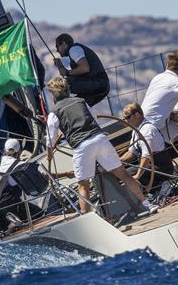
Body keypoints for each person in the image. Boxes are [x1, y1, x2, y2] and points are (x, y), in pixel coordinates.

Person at [46, 77, 151, 215]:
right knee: (123, 174)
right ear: (67, 89)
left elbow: (50, 140)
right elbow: (94, 117)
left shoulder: (54, 113)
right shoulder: (81, 101)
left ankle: (87, 219)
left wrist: (49, 155)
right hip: (100, 139)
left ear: (53, 94)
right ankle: (147, 204)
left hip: (81, 146)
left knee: (83, 185)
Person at [0, 139, 41, 234]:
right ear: (19, 152)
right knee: (39, 214)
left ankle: (7, 228)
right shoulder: (20, 165)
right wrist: (65, 174)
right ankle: (17, 222)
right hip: (11, 206)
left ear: (5, 149)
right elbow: (38, 178)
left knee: (0, 232)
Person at [141, 52, 178, 156]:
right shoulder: (177, 82)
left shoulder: (157, 77)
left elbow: (159, 99)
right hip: (155, 122)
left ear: (167, 64)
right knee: (143, 153)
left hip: (146, 118)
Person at [119, 102, 174, 190]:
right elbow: (132, 153)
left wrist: (137, 175)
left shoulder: (147, 130)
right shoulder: (136, 130)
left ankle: (159, 187)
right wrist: (117, 163)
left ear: (137, 114)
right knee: (121, 173)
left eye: (128, 117)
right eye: (124, 118)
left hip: (161, 168)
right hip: (150, 166)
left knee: (126, 175)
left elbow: (146, 155)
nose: (126, 121)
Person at [53, 33, 110, 107]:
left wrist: (67, 72)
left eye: (57, 46)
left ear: (64, 44)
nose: (57, 50)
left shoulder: (74, 49)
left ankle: (59, 108)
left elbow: (84, 68)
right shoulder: (74, 51)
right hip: (101, 86)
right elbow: (65, 73)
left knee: (63, 85)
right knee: (74, 106)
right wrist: (60, 66)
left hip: (97, 83)